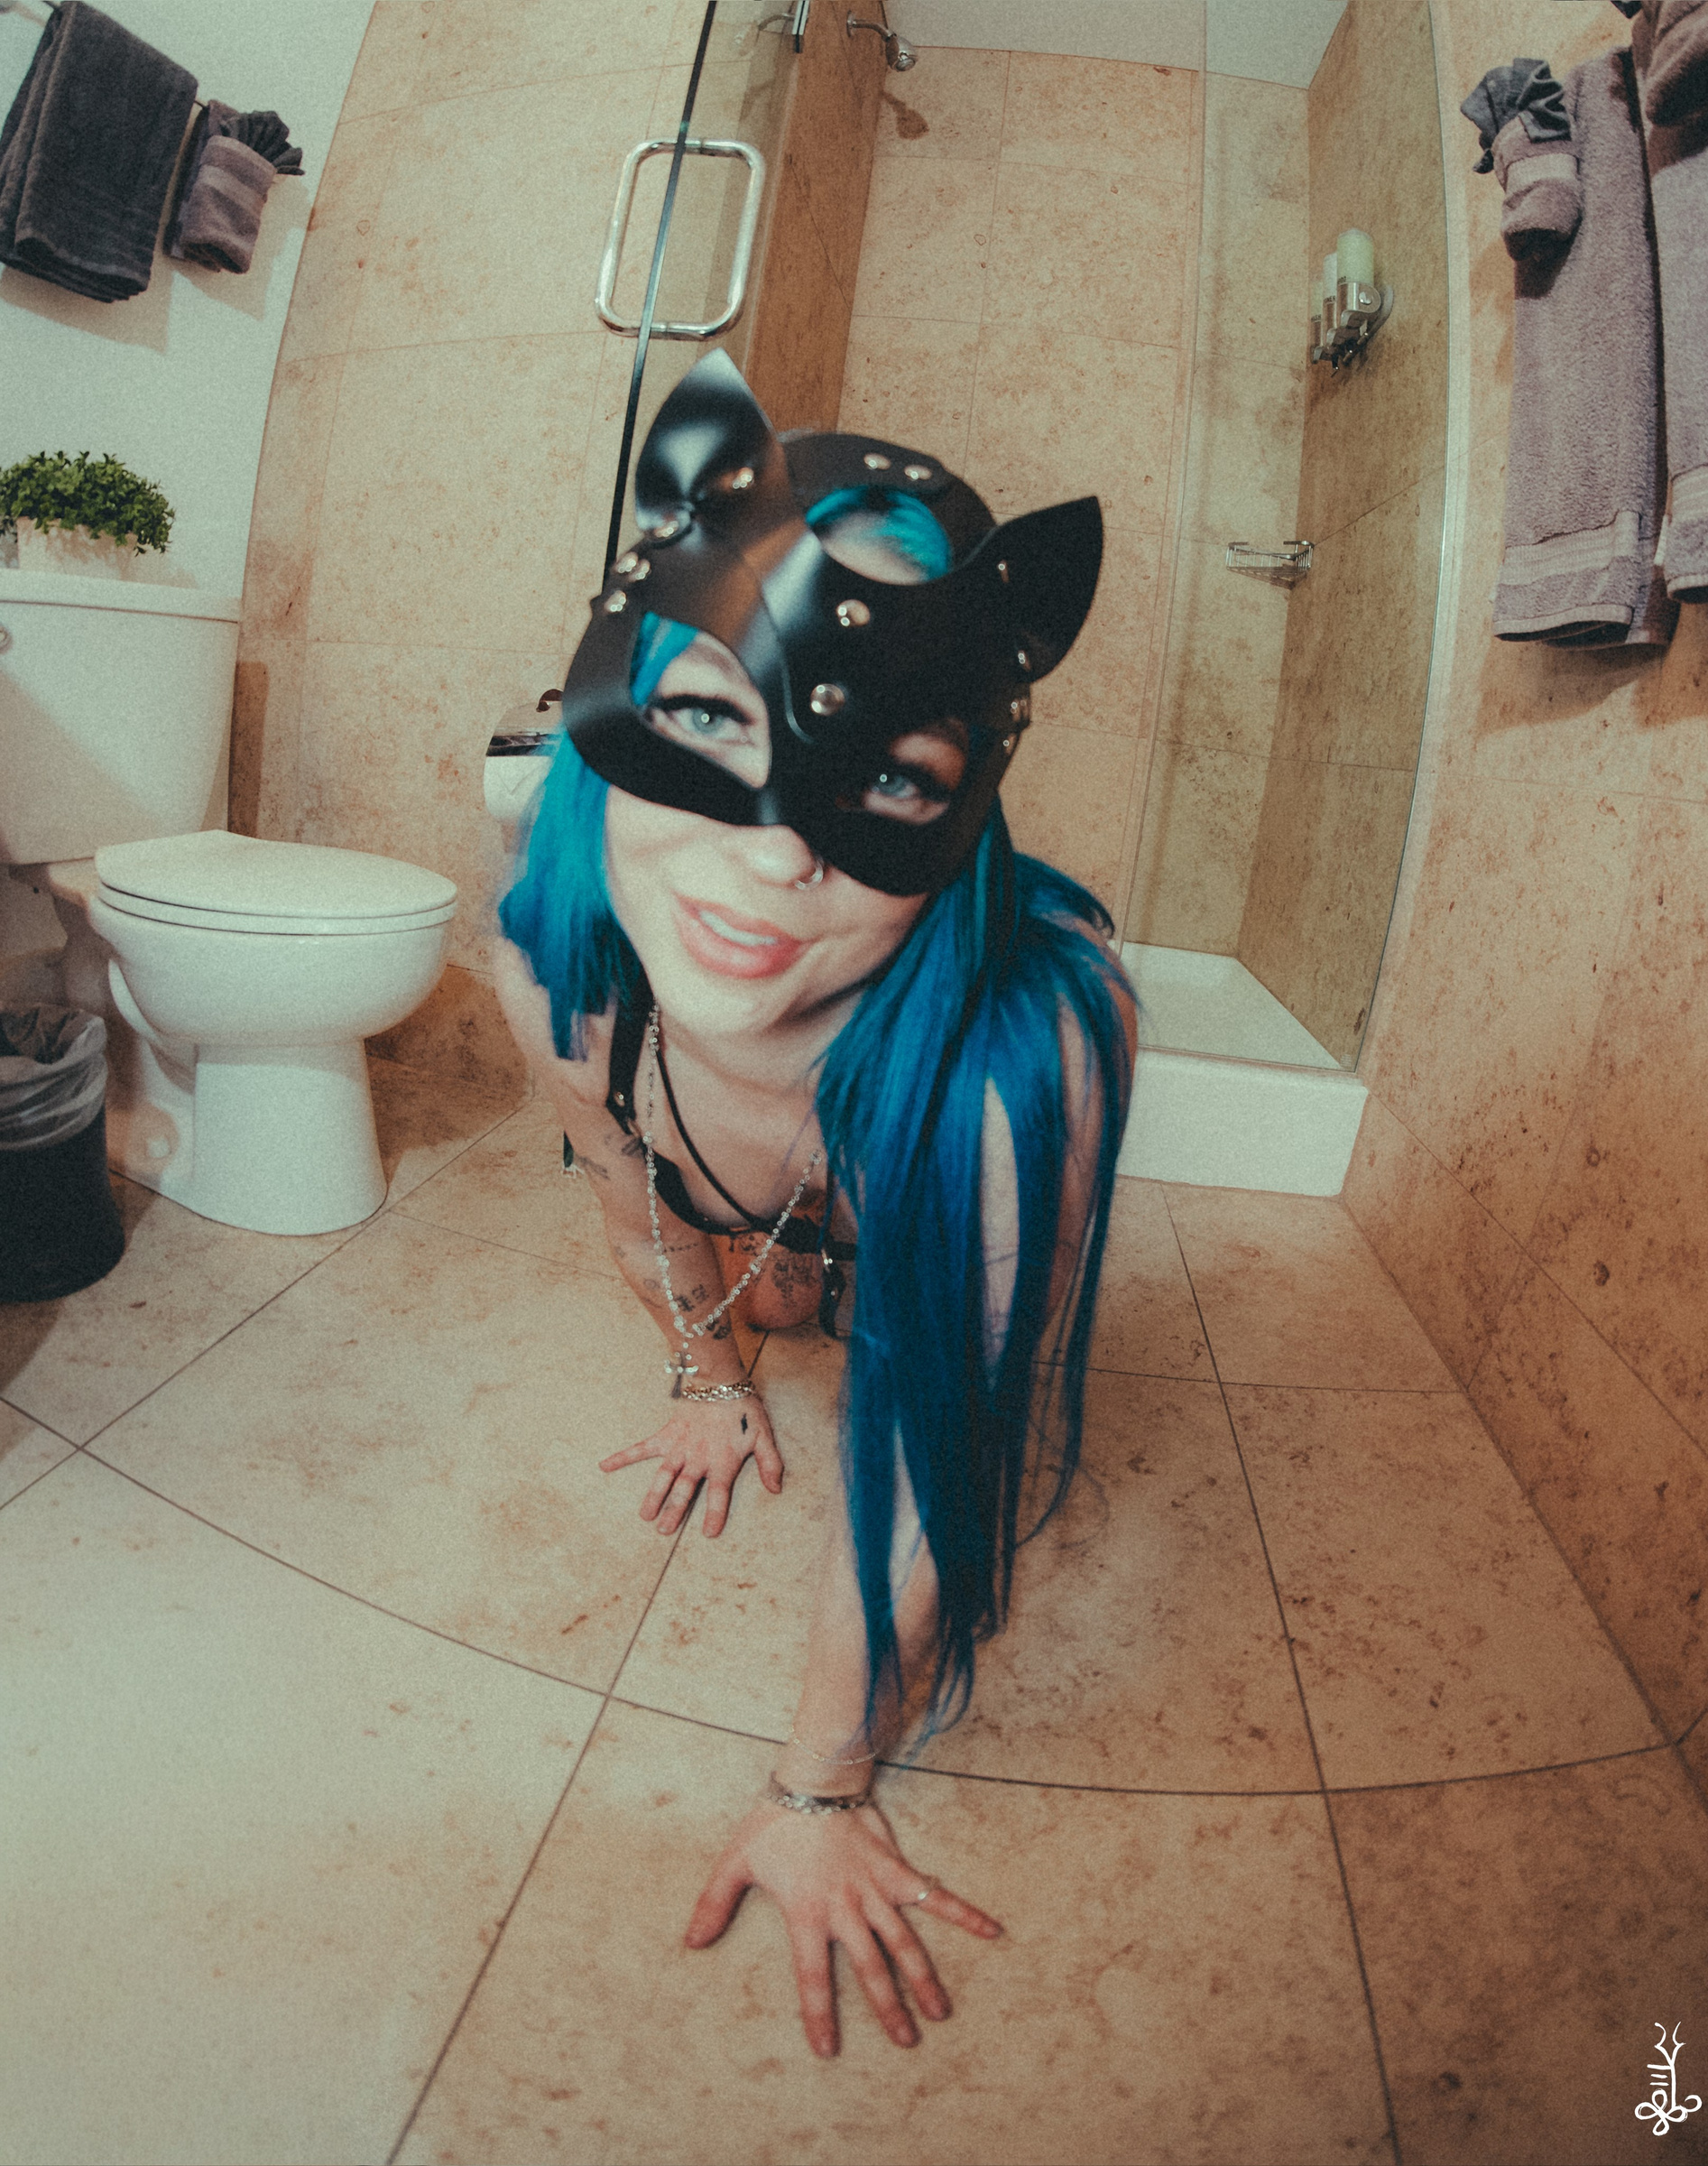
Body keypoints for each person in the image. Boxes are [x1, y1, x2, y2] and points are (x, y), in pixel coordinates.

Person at [494, 353, 1133, 2060]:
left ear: (960, 803)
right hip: (760, 1227)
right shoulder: (558, 981)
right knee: (759, 1304)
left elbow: (936, 1435)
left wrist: (820, 1785)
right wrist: (707, 1380)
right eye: (712, 722)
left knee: (891, 1340)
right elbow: (628, 1205)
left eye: (894, 779)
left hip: (917, 1178)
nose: (782, 855)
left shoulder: (1028, 1061)